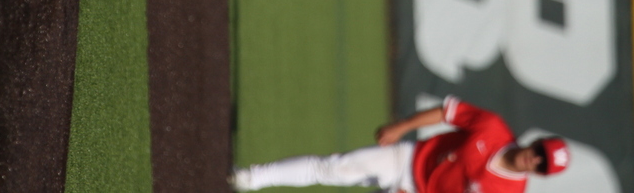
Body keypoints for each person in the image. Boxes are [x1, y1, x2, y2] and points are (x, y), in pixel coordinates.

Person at [228, 96, 569, 193]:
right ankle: (253, 178)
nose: (534, 160)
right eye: (540, 152)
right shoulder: (493, 128)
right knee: (335, 167)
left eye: (542, 165)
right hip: (409, 160)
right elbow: (446, 111)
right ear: (536, 142)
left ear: (540, 174)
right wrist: (401, 127)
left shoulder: (509, 191)